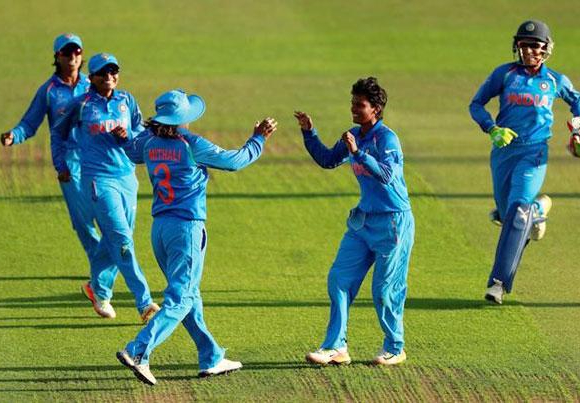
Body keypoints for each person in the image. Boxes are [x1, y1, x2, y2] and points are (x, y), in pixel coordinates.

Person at [115, 89, 277, 385]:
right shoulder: (190, 144)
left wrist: (124, 134)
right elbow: (235, 161)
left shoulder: (148, 143)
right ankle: (138, 350)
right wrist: (258, 138)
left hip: (160, 230)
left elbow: (129, 149)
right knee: (182, 297)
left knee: (189, 296)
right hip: (187, 229)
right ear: (183, 119)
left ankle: (211, 356)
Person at [469, 20, 580, 304]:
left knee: (517, 213)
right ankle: (539, 208)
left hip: (534, 152)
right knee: (509, 216)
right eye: (525, 45)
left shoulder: (555, 80)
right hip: (504, 152)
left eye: (536, 46)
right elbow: (476, 104)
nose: (531, 51)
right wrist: (492, 129)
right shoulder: (504, 74)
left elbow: (576, 101)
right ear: (517, 46)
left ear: (546, 49)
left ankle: (498, 283)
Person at [296, 77, 415, 366]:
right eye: (352, 103)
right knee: (338, 279)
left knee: (385, 291)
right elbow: (327, 160)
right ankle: (336, 347)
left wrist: (358, 153)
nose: (353, 109)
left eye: (359, 105)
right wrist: (310, 133)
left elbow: (387, 175)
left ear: (375, 108)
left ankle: (395, 347)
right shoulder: (353, 134)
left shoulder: (387, 138)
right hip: (363, 223)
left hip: (393, 223)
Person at [53, 53, 159, 321]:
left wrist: (128, 137)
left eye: (114, 71)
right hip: (99, 179)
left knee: (119, 239)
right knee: (122, 239)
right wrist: (61, 165)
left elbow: (139, 131)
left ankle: (96, 288)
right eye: (103, 72)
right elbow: (58, 132)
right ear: (93, 77)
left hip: (127, 177)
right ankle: (144, 302)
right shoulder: (82, 104)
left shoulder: (127, 100)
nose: (109, 76)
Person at [0, 33, 100, 276]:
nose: (73, 57)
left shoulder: (93, 84)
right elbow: (29, 123)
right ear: (57, 57)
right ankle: (101, 270)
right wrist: (14, 135)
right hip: (69, 162)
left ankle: (103, 270)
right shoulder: (49, 91)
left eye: (77, 52)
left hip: (98, 157)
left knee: (107, 216)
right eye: (67, 53)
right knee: (82, 222)